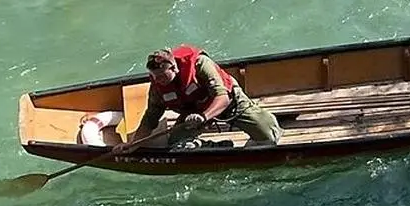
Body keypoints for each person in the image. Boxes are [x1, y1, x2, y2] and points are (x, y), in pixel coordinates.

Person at [112, 45, 283, 153]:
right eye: (155, 77)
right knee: (178, 146)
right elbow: (150, 119)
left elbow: (222, 98)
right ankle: (216, 148)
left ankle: (267, 123)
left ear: (174, 68)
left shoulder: (200, 64)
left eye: (163, 76)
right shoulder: (157, 86)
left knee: (268, 136)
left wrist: (203, 117)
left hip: (227, 102)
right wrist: (133, 144)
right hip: (192, 111)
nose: (159, 81)